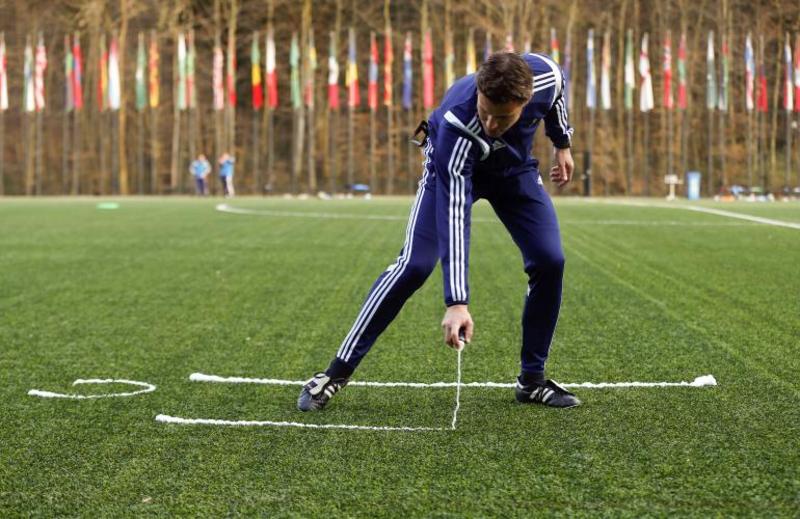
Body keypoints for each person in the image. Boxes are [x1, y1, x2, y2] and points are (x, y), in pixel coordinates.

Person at [298, 51, 579, 411]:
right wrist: (457, 301)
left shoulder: (547, 76)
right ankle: (334, 373)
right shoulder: (457, 125)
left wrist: (562, 143)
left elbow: (556, 98)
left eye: (503, 117)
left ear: (524, 102)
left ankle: (532, 380)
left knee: (550, 259)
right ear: (478, 90)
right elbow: (455, 214)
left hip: (514, 172)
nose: (491, 124)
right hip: (451, 172)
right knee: (413, 266)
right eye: (486, 111)